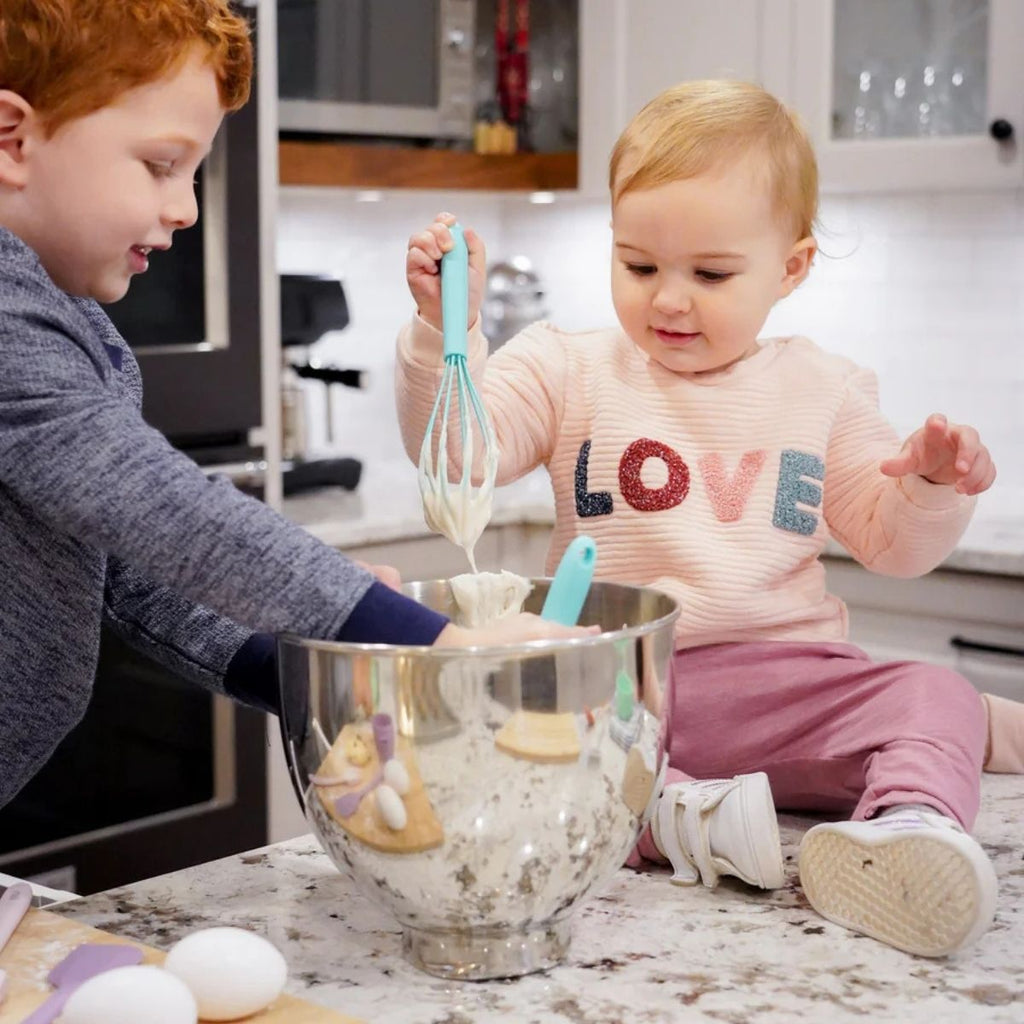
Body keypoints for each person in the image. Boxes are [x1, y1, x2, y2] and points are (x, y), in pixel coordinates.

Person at [395, 79, 1023, 958]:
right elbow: (455, 464)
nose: (670, 300)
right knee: (511, 735)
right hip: (623, 692)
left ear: (791, 267)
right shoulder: (567, 366)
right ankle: (686, 819)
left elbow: (894, 545)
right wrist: (442, 338)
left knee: (932, 689)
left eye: (711, 273)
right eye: (639, 265)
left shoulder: (825, 391)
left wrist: (933, 486)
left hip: (785, 685)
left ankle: (909, 832)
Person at [0, 0, 593, 812]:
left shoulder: (73, 326)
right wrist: (433, 641)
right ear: (13, 138)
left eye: (195, 172)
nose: (187, 209)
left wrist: (326, 664)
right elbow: (158, 511)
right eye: (160, 165)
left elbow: (136, 575)